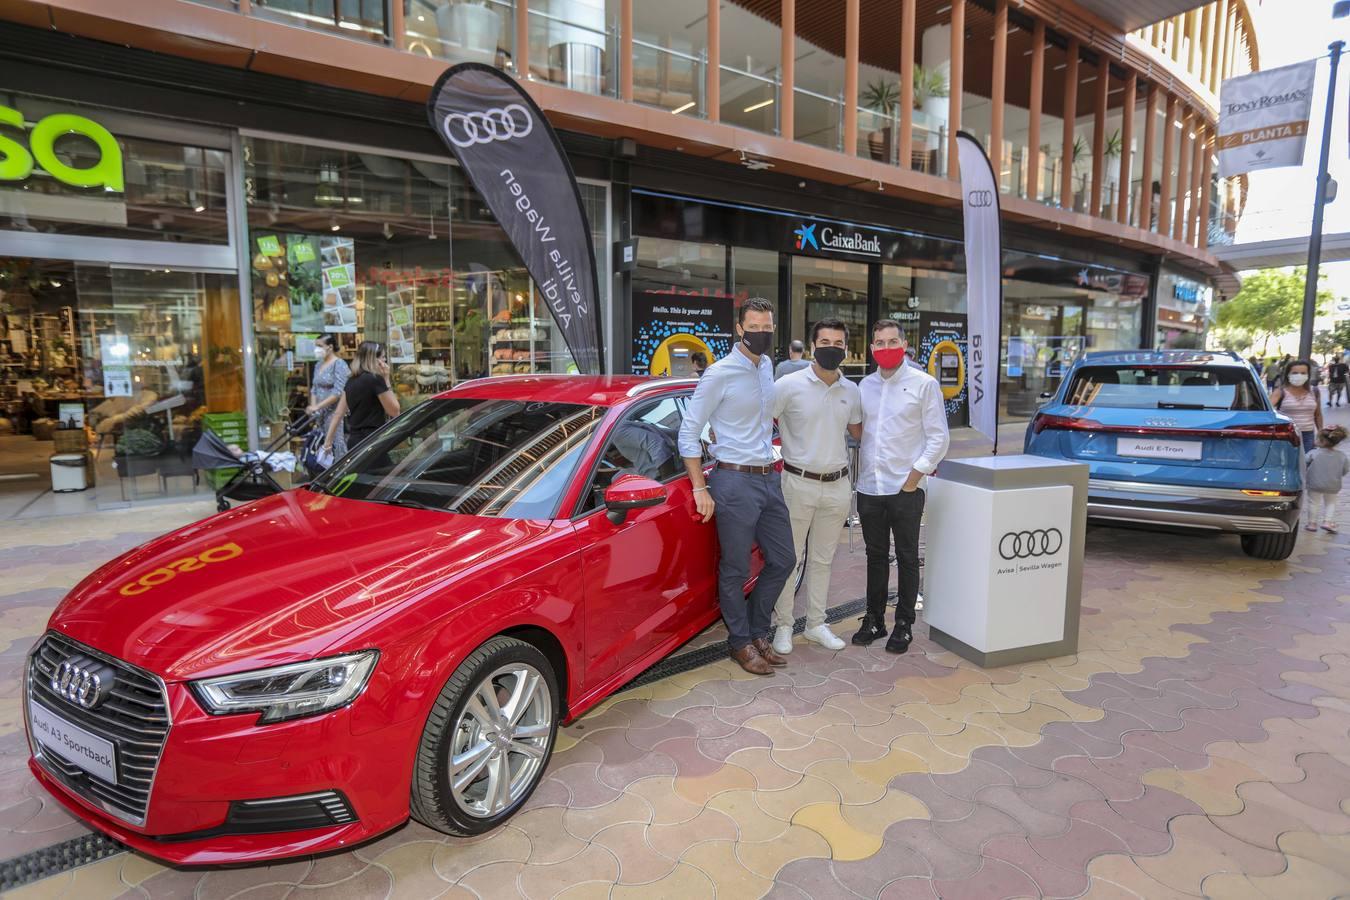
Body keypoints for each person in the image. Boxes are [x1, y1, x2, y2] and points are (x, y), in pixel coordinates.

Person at [679, 298, 796, 676]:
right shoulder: (719, 374)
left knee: (783, 559)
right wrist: (700, 487)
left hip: (768, 476)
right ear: (740, 329)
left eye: (768, 327)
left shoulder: (767, 368)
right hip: (732, 480)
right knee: (735, 567)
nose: (762, 333)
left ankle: (758, 631)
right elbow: (688, 432)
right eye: (755, 327)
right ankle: (740, 642)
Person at [852, 319, 950, 654]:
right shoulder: (864, 386)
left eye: (892, 341)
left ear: (905, 344)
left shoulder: (924, 385)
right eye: (879, 342)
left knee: (908, 557)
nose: (886, 348)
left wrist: (914, 478)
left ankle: (904, 624)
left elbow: (939, 437)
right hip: (869, 487)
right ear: (872, 349)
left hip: (906, 488)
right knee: (875, 556)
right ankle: (874, 620)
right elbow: (857, 431)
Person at [770, 317, 862, 656]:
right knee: (789, 559)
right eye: (825, 343)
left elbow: (859, 432)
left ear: (846, 350)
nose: (831, 349)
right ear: (812, 346)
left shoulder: (851, 390)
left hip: (837, 485)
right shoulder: (788, 385)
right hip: (797, 483)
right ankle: (783, 625)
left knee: (824, 559)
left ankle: (815, 624)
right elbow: (762, 420)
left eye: (838, 344)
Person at [323, 340, 401, 455]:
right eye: (383, 357)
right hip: (373, 441)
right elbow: (395, 411)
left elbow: (338, 414)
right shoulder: (376, 380)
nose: (385, 361)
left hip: (354, 441)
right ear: (374, 359)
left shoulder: (351, 381)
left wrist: (328, 442)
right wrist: (386, 378)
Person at [307, 335, 350, 459]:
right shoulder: (318, 365)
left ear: (330, 347)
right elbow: (314, 388)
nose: (316, 349)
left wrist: (318, 406)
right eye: (316, 346)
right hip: (319, 415)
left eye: (319, 346)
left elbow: (338, 392)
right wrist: (314, 406)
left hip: (334, 413)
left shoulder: (339, 364)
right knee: (320, 443)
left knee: (336, 444)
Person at [1271, 359, 1323, 453]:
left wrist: (1320, 432)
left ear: (1308, 375)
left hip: (1308, 435)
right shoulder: (1280, 392)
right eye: (1295, 373)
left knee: (1306, 463)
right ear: (1288, 374)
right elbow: (1268, 411)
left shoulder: (1314, 391)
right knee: (1289, 464)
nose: (1299, 376)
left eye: (1303, 373)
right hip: (1287, 435)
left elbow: (1318, 415)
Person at [1304, 425, 1348, 534]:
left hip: (1314, 483)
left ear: (1322, 441)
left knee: (1313, 502)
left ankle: (1312, 524)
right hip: (1333, 484)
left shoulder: (1313, 453)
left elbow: (1304, 463)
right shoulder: (1342, 456)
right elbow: (1346, 469)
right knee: (1331, 503)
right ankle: (1327, 522)